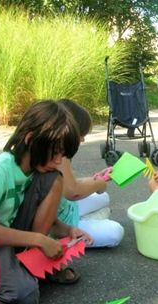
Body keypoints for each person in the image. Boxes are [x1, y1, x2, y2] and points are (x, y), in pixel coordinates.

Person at [0, 100, 92, 304]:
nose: (58, 161)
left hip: (11, 237)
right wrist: (39, 239)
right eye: (55, 152)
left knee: (54, 179)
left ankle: (30, 261)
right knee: (24, 297)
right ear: (30, 139)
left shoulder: (36, 171)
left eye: (62, 155)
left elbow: (35, 215)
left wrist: (68, 230)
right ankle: (16, 273)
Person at [56, 99, 124, 248]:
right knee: (115, 232)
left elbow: (67, 184)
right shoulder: (60, 153)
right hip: (59, 221)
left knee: (104, 198)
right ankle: (83, 225)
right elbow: (72, 192)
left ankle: (93, 219)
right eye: (81, 134)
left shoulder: (57, 148)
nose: (83, 139)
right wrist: (99, 184)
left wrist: (95, 179)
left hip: (63, 208)